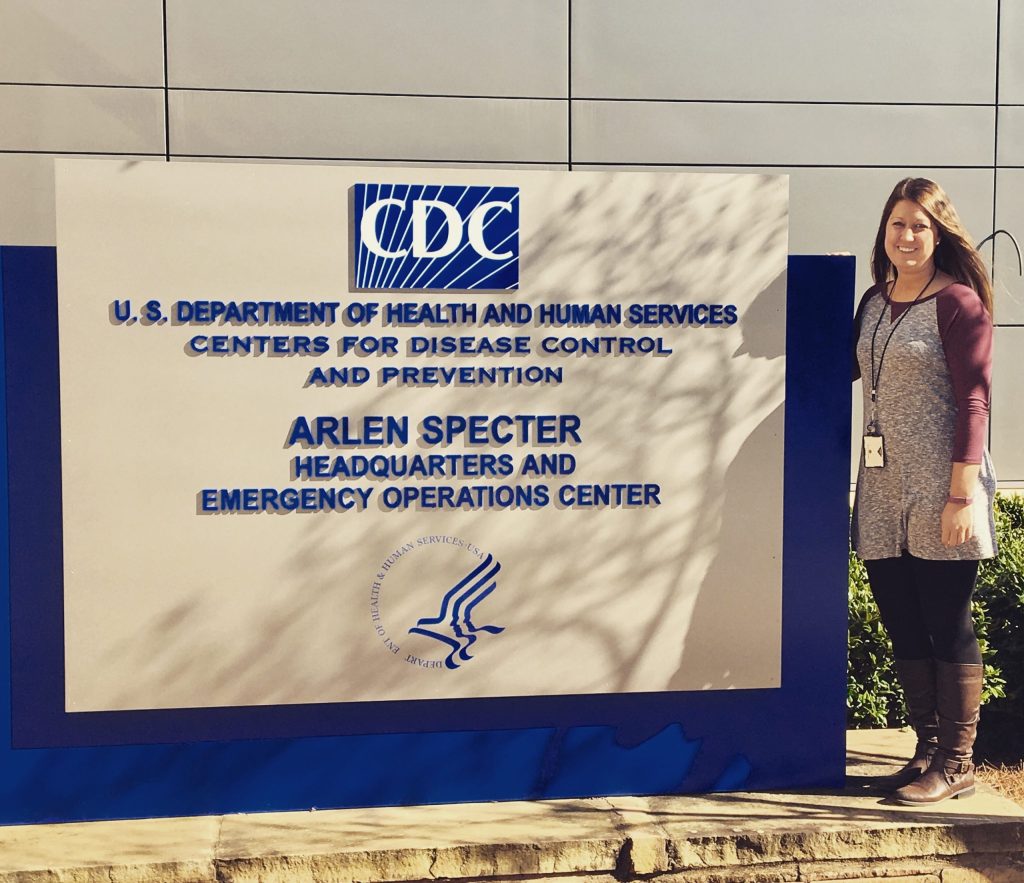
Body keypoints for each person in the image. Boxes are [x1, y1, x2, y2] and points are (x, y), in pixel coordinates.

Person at [851, 178, 997, 806]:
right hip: (882, 487)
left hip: (943, 484)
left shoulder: (958, 303)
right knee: (903, 622)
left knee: (946, 621)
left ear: (939, 234)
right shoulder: (873, 301)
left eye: (919, 226)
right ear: (883, 233)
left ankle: (958, 761)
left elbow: (974, 397)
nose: (906, 237)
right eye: (897, 225)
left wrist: (962, 494)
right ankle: (927, 748)